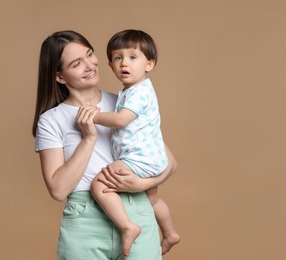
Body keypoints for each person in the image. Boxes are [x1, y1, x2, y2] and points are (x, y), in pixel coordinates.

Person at [33, 30, 177, 260]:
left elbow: (169, 162)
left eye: (90, 54)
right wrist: (88, 138)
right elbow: (58, 190)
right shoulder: (52, 120)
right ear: (60, 76)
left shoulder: (124, 103)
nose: (90, 65)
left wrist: (143, 183)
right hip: (84, 220)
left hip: (136, 211)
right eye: (77, 63)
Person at [89, 29, 180, 257]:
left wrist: (93, 116)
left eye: (132, 57)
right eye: (118, 58)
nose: (124, 63)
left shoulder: (139, 92)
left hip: (139, 158)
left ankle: (127, 227)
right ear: (110, 65)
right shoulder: (130, 92)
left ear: (149, 64)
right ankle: (170, 233)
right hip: (151, 156)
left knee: (99, 185)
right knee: (152, 198)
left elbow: (120, 120)